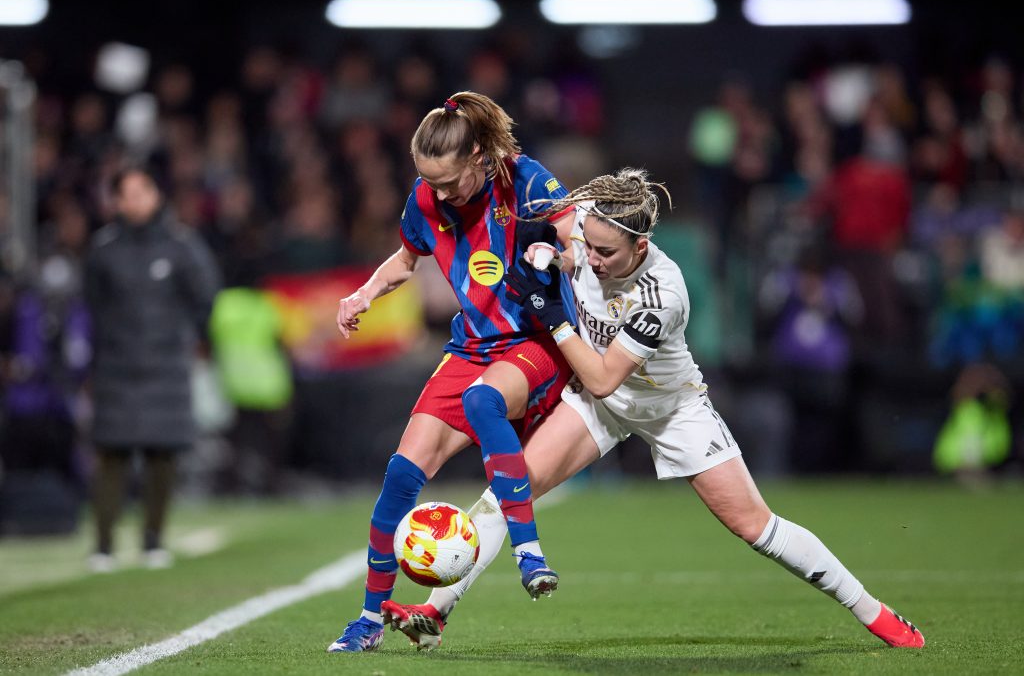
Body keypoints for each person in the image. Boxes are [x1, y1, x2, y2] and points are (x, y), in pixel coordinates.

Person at [379, 169, 925, 651]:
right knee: (507, 490)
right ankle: (434, 613)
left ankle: (873, 612)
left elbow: (600, 372)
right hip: (601, 406)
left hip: (669, 408)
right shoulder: (594, 227)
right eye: (590, 246)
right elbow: (563, 248)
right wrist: (550, 256)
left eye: (606, 253)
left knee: (755, 526)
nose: (594, 259)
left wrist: (551, 313)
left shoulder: (663, 294)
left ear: (640, 247)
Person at [328, 91, 577, 653]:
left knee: (483, 403)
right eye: (429, 182)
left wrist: (560, 255)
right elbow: (408, 259)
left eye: (448, 181)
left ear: (478, 158)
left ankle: (528, 549)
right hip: (471, 348)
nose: (439, 193)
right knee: (400, 477)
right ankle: (368, 621)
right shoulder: (426, 198)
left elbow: (575, 234)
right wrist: (364, 292)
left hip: (538, 342)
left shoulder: (525, 180)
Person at [83, 165, 221, 572]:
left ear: (156, 193)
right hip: (117, 364)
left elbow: (205, 296)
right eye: (127, 193)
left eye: (143, 190)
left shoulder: (182, 245)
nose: (136, 199)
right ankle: (103, 545)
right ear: (116, 201)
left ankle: (153, 540)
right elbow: (92, 303)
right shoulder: (104, 249)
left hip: (166, 363)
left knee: (163, 454)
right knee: (111, 453)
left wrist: (184, 339)